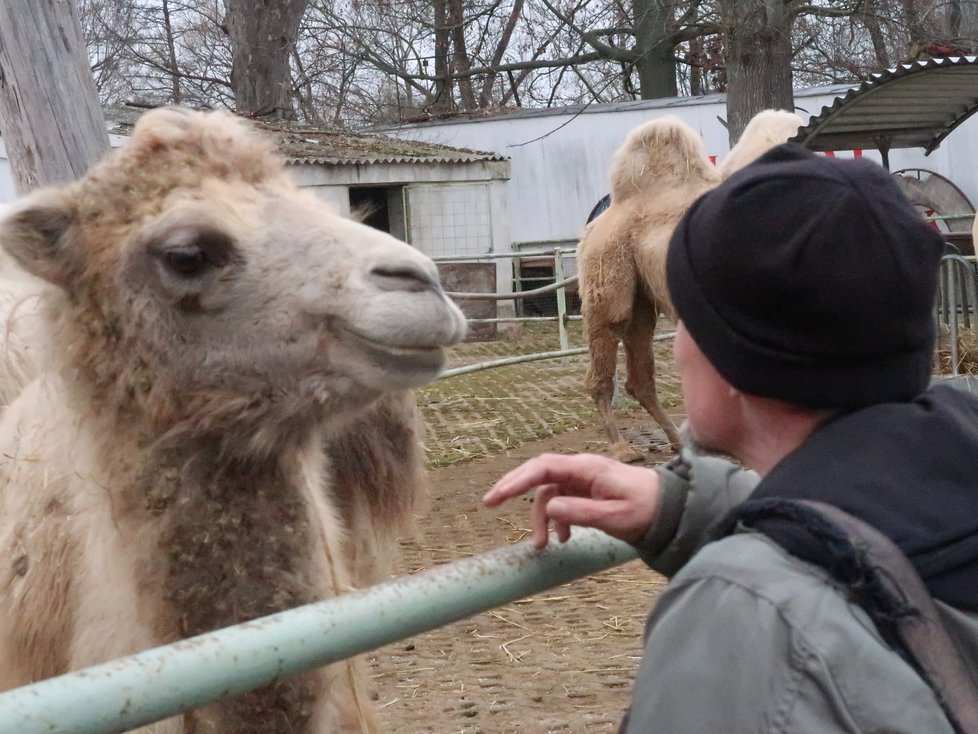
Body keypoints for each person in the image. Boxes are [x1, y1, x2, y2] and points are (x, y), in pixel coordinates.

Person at [483, 143, 978, 733]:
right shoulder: (958, 462)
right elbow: (878, 537)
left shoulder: (742, 617)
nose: (677, 345)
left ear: (736, 362)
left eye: (690, 319)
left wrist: (751, 565)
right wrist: (689, 508)